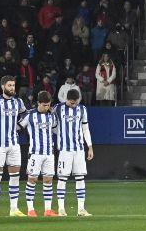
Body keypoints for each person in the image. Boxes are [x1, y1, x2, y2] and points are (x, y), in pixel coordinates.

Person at [55, 84, 95, 217]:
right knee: (62, 178)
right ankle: (61, 209)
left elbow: (85, 129)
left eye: (75, 103)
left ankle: (81, 209)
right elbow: (51, 123)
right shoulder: (58, 108)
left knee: (80, 178)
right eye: (71, 103)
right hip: (65, 150)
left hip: (79, 149)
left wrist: (89, 146)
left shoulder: (82, 109)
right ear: (66, 99)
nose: (73, 105)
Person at [0, 75, 25, 217]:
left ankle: (14, 209)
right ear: (3, 86)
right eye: (9, 85)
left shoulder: (18, 102)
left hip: (14, 144)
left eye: (13, 85)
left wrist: (19, 126)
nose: (12, 88)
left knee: (15, 176)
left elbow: (25, 115)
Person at [21, 91, 60, 217]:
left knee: (48, 180)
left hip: (49, 153)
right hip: (35, 153)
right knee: (32, 179)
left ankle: (48, 210)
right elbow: (18, 127)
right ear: (38, 103)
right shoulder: (29, 115)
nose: (46, 107)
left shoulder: (52, 117)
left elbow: (55, 129)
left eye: (48, 105)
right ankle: (30, 209)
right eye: (44, 105)